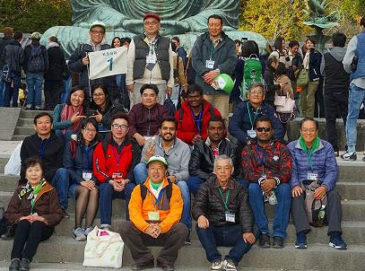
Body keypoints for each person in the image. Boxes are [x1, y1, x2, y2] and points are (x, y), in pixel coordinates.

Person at [288, 118, 347, 250]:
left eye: (311, 130)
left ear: (317, 131)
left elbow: (332, 170)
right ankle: (301, 234)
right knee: (296, 195)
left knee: (334, 195)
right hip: (302, 184)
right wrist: (295, 184)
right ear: (300, 131)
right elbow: (291, 170)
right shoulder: (292, 147)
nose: (308, 133)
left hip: (320, 184)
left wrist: (325, 187)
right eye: (305, 130)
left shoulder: (326, 147)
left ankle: (335, 235)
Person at [120, 155, 187, 271]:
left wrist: (161, 227)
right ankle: (144, 259)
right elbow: (134, 213)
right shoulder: (138, 189)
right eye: (152, 168)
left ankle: (165, 260)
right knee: (124, 227)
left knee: (182, 229)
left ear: (165, 171)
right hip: (144, 231)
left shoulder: (174, 189)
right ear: (147, 171)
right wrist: (146, 227)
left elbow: (176, 214)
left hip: (164, 232)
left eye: (160, 168)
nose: (156, 172)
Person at [192, 155, 256, 271]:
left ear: (231, 170)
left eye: (226, 168)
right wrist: (200, 216)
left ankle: (232, 260)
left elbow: (245, 211)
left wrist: (247, 231)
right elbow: (198, 206)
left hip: (233, 230)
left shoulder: (240, 188)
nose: (222, 172)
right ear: (215, 171)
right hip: (214, 231)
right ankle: (215, 259)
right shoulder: (206, 186)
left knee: (255, 228)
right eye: (219, 168)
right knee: (200, 226)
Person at [133, 117, 192, 240]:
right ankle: (146, 211)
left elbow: (186, 172)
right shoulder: (151, 143)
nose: (168, 131)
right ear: (159, 130)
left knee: (183, 185)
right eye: (165, 128)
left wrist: (175, 177)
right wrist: (146, 158)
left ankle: (185, 228)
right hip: (154, 180)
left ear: (176, 131)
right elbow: (144, 165)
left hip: (172, 182)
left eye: (171, 129)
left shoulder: (184, 147)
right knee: (138, 168)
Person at [241, 117, 292, 248]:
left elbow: (287, 170)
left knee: (286, 189)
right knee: (252, 188)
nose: (263, 132)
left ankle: (279, 234)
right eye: (260, 129)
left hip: (277, 182)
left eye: (267, 129)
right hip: (257, 183)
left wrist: (274, 181)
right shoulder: (248, 148)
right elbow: (247, 171)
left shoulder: (281, 148)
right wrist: (262, 181)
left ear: (272, 131)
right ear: (255, 131)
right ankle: (263, 232)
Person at [5, 157, 63, 271]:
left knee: (36, 224)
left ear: (42, 173)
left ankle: (26, 259)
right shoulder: (20, 190)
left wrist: (42, 218)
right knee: (23, 223)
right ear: (25, 174)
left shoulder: (50, 190)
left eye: (37, 170)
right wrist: (22, 217)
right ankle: (15, 259)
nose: (34, 174)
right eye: (30, 171)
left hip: (42, 228)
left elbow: (57, 214)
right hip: (23, 228)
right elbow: (10, 212)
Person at [93, 113, 140, 229]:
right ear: (111, 128)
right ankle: (105, 225)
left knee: (132, 189)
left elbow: (135, 167)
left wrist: (126, 180)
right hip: (109, 182)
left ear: (128, 129)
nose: (119, 129)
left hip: (126, 182)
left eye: (123, 126)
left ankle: (131, 225)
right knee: (105, 188)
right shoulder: (102, 145)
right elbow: (98, 169)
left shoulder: (133, 146)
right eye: (116, 125)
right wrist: (110, 181)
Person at [20, 112, 68, 216]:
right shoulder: (28, 141)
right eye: (40, 123)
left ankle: (61, 207)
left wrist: (44, 177)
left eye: (47, 122)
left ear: (51, 125)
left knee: (63, 172)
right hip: (32, 177)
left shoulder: (58, 142)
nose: (43, 125)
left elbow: (59, 164)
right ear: (35, 126)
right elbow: (24, 162)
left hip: (50, 177)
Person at [191, 14, 236, 119]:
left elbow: (232, 61)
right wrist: (205, 74)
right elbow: (195, 60)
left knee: (222, 118)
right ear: (207, 25)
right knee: (202, 117)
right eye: (211, 25)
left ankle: (222, 136)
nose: (214, 28)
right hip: (203, 86)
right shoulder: (200, 40)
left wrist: (217, 71)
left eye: (216, 25)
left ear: (222, 26)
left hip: (221, 87)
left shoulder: (229, 43)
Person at [63, 118, 99, 241]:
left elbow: (99, 167)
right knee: (84, 190)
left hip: (91, 180)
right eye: (88, 129)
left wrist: (93, 180)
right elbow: (68, 167)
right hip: (75, 182)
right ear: (82, 130)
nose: (91, 133)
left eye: (94, 130)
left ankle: (88, 228)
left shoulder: (98, 146)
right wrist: (81, 181)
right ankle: (77, 227)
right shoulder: (72, 144)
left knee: (94, 190)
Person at [126, 13, 174, 106]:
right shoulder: (136, 40)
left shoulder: (166, 41)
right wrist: (129, 81)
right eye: (147, 23)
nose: (150, 25)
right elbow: (130, 62)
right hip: (139, 82)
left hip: (160, 83)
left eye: (153, 23)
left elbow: (170, 64)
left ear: (159, 25)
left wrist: (170, 84)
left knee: (158, 112)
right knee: (137, 110)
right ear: (144, 25)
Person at [188, 117, 242, 194]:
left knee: (243, 183)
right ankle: (212, 199)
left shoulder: (232, 147)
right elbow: (193, 169)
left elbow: (232, 169)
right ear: (207, 131)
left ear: (224, 131)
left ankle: (215, 199)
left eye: (219, 129)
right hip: (206, 178)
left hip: (227, 178)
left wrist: (220, 178)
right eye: (212, 129)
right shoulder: (199, 146)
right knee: (192, 182)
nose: (216, 132)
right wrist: (211, 177)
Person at [320, 32, 349, 157]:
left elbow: (322, 72)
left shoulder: (326, 56)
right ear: (344, 42)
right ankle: (349, 146)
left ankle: (334, 148)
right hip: (344, 90)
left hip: (329, 91)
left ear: (333, 42)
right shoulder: (349, 55)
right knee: (347, 119)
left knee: (330, 120)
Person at [229, 83, 284, 147]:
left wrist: (270, 141)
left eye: (259, 92)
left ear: (263, 97)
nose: (256, 95)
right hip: (245, 141)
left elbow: (279, 128)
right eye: (253, 92)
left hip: (265, 141)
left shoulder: (269, 108)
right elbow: (233, 127)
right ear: (248, 96)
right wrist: (247, 139)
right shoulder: (241, 107)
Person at [341, 16, 365, 161]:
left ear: (362, 25)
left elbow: (347, 62)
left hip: (358, 81)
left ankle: (351, 151)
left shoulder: (356, 39)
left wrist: (351, 71)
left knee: (352, 117)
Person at [68, 21, 112, 97]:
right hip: (85, 90)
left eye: (100, 32)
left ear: (104, 34)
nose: (97, 34)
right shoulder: (81, 48)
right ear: (90, 33)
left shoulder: (109, 49)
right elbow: (71, 65)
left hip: (103, 92)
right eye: (95, 31)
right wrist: (81, 63)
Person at [230, 40, 261, 106]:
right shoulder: (261, 62)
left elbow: (234, 74)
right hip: (257, 92)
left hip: (240, 93)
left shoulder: (240, 62)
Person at [23, 32, 48, 110]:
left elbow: (24, 60)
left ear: (31, 39)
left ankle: (29, 104)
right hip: (40, 72)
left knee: (30, 88)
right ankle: (37, 105)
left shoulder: (27, 48)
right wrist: (45, 70)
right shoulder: (43, 48)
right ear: (39, 39)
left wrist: (25, 70)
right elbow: (46, 60)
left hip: (29, 71)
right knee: (38, 88)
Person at [300, 38, 322, 117]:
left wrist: (311, 52)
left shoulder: (317, 54)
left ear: (314, 44)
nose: (309, 44)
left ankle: (310, 116)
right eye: (307, 43)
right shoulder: (303, 53)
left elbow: (312, 62)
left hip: (313, 78)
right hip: (303, 77)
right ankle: (303, 115)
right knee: (302, 97)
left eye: (311, 43)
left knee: (310, 97)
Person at [1, 31, 23, 107]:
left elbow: (3, 58)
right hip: (16, 70)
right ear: (20, 38)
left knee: (6, 87)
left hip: (7, 70)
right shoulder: (20, 48)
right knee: (16, 88)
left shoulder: (7, 47)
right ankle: (14, 103)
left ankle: (6, 103)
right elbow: (21, 60)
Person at [44, 36, 65, 110]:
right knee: (56, 90)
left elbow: (46, 62)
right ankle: (56, 106)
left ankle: (48, 105)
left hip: (49, 73)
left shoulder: (48, 50)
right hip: (58, 74)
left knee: (47, 89)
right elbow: (63, 63)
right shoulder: (60, 50)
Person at [0, 27, 14, 107]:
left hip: (1, 66)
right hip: (9, 67)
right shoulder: (13, 42)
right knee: (7, 85)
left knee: (1, 85)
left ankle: (1, 103)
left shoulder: (0, 42)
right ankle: (5, 103)